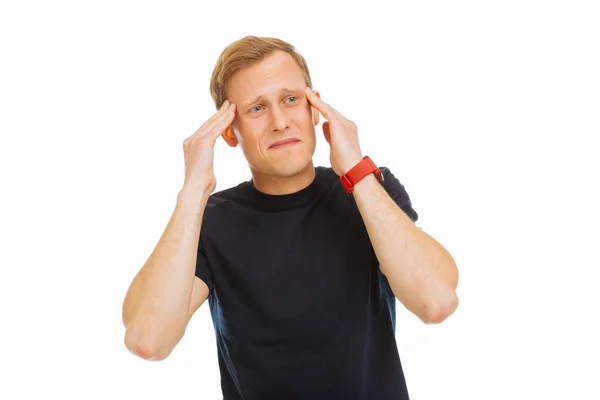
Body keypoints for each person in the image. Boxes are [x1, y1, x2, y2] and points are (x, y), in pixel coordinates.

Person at [122, 35, 459, 399]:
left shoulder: (370, 191)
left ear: (314, 108)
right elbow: (148, 340)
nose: (280, 121)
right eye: (256, 109)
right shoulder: (210, 222)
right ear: (229, 133)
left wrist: (357, 173)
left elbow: (436, 302)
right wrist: (192, 194)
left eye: (291, 100)